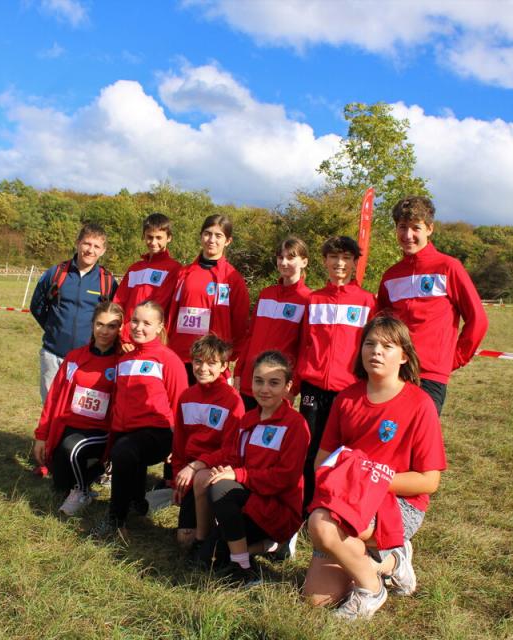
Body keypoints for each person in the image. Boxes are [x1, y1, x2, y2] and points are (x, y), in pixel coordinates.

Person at [303, 314, 446, 621]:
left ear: (404, 356)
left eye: (387, 346)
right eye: (369, 344)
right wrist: (348, 480)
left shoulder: (420, 404)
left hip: (398, 503)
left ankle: (371, 588)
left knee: (321, 523)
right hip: (349, 497)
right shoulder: (346, 399)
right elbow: (321, 461)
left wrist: (372, 480)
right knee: (317, 599)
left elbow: (428, 481)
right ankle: (391, 562)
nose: (376, 351)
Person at [190, 350, 309, 586]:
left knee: (222, 488)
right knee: (208, 560)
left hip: (276, 511)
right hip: (248, 505)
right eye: (258, 381)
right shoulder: (248, 419)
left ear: (288, 386)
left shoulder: (296, 424)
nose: (264, 389)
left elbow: (285, 477)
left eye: (274, 383)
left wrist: (237, 474)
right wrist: (208, 465)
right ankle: (266, 547)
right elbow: (234, 456)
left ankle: (244, 569)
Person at [377, 196, 488, 415]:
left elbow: (478, 320)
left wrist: (454, 359)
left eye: (415, 228)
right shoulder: (390, 276)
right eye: (402, 227)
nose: (408, 235)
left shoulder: (448, 267)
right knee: (386, 434)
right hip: (393, 372)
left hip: (429, 377)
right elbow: (381, 325)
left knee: (419, 435)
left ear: (429, 229)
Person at [92, 301, 187, 540]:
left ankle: (115, 521)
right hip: (127, 432)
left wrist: (178, 445)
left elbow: (181, 404)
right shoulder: (124, 360)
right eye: (134, 321)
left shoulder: (168, 359)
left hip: (158, 433)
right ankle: (137, 503)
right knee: (124, 448)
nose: (138, 327)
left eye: (146, 323)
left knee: (125, 451)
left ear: (160, 327)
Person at [297, 236, 376, 507]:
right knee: (310, 449)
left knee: (342, 452)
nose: (339, 263)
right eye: (333, 257)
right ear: (324, 261)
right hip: (313, 388)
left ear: (355, 263)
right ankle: (307, 509)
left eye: (346, 258)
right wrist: (297, 380)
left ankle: (335, 506)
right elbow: (304, 343)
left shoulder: (367, 301)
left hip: (348, 391)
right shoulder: (314, 299)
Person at [32, 302, 124, 517]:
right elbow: (54, 398)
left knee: (71, 447)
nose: (104, 331)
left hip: (100, 431)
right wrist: (41, 436)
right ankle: (93, 472)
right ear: (92, 325)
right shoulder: (75, 357)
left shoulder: (123, 362)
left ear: (120, 329)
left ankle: (83, 491)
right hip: (68, 425)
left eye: (112, 326)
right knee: (60, 484)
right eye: (100, 324)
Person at [171, 334, 245, 549]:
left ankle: (212, 528)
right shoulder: (186, 396)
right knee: (184, 541)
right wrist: (178, 480)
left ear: (223, 366)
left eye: (211, 363)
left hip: (214, 471)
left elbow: (231, 451)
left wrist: (197, 465)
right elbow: (179, 444)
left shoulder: (233, 400)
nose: (203, 368)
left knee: (192, 541)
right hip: (190, 473)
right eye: (198, 361)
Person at [30, 223, 118, 402]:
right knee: (50, 407)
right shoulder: (56, 273)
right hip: (53, 355)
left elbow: (113, 317)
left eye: (96, 246)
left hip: (89, 359)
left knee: (79, 411)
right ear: (78, 243)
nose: (90, 250)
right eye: (87, 243)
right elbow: (37, 307)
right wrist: (55, 329)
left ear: (103, 251)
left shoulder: (107, 282)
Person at [166, 214, 250, 385]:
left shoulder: (232, 278)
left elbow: (240, 323)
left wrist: (227, 355)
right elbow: (170, 314)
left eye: (218, 236)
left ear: (228, 241)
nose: (212, 240)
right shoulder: (183, 273)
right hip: (180, 357)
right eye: (207, 234)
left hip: (212, 362)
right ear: (201, 236)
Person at [233, 236, 311, 411]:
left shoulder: (307, 299)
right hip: (250, 380)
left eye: (290, 257)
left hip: (277, 385)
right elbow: (250, 336)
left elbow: (305, 348)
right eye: (280, 257)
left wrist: (294, 386)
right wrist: (238, 371)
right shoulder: (266, 294)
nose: (284, 262)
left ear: (304, 262)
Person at [112, 213, 183, 352]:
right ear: (144, 236)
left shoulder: (174, 268)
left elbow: (158, 307)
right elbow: (118, 302)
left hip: (150, 341)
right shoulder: (134, 268)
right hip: (124, 341)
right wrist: (120, 334)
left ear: (169, 238)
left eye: (159, 237)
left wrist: (128, 334)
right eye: (150, 237)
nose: (153, 242)